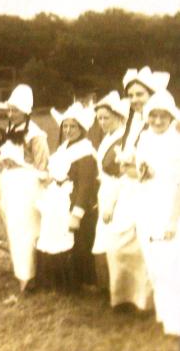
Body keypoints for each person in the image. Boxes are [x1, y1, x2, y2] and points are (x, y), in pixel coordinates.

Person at [106, 67, 167, 311]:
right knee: (119, 244)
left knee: (148, 247)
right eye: (130, 95)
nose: (134, 100)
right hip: (130, 188)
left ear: (152, 94)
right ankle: (125, 297)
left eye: (139, 94)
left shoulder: (163, 122)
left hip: (154, 188)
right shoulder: (134, 122)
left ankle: (147, 302)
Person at [36, 102, 98, 292]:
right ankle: (53, 281)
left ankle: (72, 284)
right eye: (65, 126)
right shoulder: (65, 147)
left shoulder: (85, 152)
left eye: (73, 126)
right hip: (57, 198)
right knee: (51, 236)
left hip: (71, 202)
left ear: (82, 128)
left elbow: (86, 185)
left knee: (71, 241)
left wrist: (76, 213)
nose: (68, 130)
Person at [0, 84, 49, 293]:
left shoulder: (36, 134)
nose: (10, 114)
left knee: (26, 230)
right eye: (9, 110)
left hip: (27, 185)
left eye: (14, 110)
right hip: (9, 182)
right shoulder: (10, 129)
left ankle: (28, 276)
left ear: (26, 111)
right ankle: (20, 272)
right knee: (13, 228)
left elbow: (42, 165)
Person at [134, 90, 180, 337]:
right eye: (153, 116)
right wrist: (143, 170)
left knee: (171, 263)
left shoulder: (177, 140)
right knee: (154, 264)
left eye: (163, 116)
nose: (158, 121)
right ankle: (165, 314)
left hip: (170, 204)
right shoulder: (145, 139)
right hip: (147, 204)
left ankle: (176, 320)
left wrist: (174, 219)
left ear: (171, 117)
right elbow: (140, 170)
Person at [91, 91, 129, 291]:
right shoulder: (107, 138)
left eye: (107, 118)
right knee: (103, 240)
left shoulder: (122, 139)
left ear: (119, 117)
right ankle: (108, 289)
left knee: (115, 241)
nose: (103, 122)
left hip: (119, 195)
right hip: (106, 191)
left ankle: (118, 290)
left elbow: (120, 177)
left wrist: (111, 205)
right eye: (99, 118)